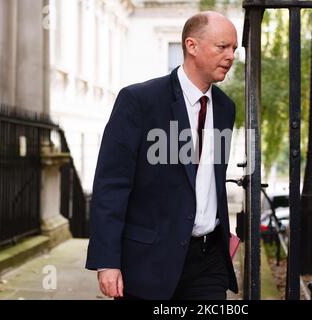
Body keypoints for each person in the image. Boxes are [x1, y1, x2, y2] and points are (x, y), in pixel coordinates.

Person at [85, 11, 239, 300]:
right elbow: (111, 185)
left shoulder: (225, 108)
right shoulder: (139, 101)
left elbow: (210, 181)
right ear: (191, 46)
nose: (231, 56)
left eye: (234, 48)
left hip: (208, 263)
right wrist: (107, 261)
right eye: (222, 47)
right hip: (148, 263)